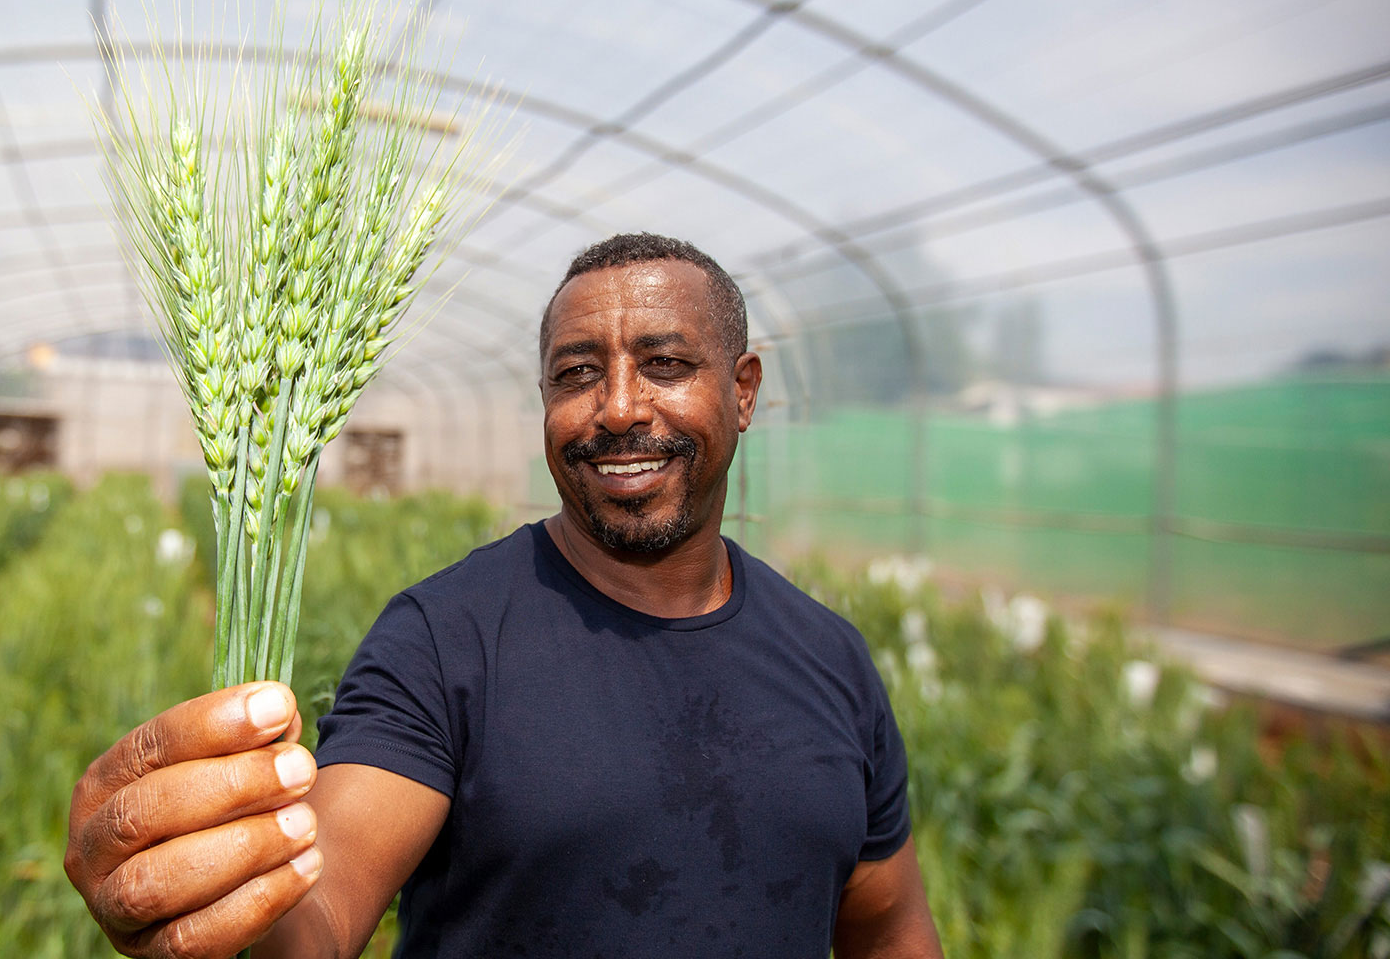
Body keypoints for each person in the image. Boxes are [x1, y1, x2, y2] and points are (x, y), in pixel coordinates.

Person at [65, 234, 945, 958]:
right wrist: (226, 896)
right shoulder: (444, 640)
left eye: (665, 362)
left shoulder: (830, 657)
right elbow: (322, 917)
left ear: (743, 392)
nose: (618, 409)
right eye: (576, 374)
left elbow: (890, 926)